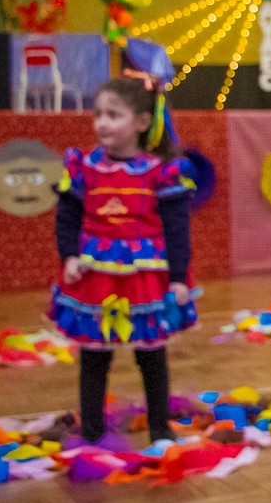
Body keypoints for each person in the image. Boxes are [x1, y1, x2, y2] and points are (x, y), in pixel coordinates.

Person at [50, 74, 201, 449]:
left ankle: (160, 430)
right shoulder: (84, 167)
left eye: (113, 115)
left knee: (150, 355)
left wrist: (179, 278)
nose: (102, 123)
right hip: (96, 276)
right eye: (98, 114)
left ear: (141, 122)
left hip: (145, 278)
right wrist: (69, 255)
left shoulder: (161, 171)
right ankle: (92, 431)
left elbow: (177, 228)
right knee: (94, 356)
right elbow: (66, 215)